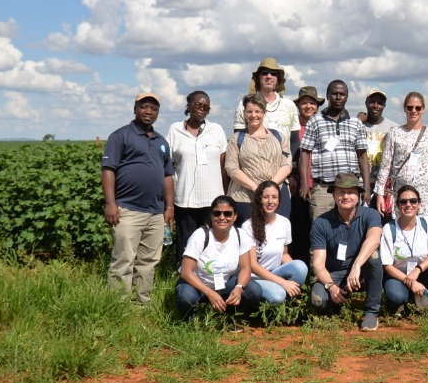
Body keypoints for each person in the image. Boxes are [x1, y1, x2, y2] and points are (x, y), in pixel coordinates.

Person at [101, 92, 175, 305]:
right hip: (128, 209)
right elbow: (108, 169)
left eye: (153, 108)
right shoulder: (120, 136)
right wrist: (110, 203)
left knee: (149, 260)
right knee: (123, 259)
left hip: (156, 212)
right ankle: (117, 304)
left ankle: (142, 301)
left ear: (158, 113)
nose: (148, 111)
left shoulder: (161, 141)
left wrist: (169, 207)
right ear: (135, 109)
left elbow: (167, 175)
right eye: (144, 107)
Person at [309, 173, 383, 331]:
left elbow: (374, 240)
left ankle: (371, 312)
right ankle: (338, 302)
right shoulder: (321, 222)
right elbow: (318, 264)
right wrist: (331, 286)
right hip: (335, 273)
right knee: (318, 300)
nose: (346, 196)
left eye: (351, 192)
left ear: (358, 196)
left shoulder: (371, 214)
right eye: (341, 192)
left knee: (374, 256)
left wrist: (356, 266)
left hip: (361, 272)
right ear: (333, 195)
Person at [166, 90, 227, 268]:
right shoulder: (175, 129)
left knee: (211, 241)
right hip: (185, 199)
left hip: (212, 198)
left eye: (206, 107)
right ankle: (184, 275)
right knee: (186, 242)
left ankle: (210, 275)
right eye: (198, 104)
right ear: (189, 106)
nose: (201, 109)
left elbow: (223, 165)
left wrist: (225, 195)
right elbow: (167, 164)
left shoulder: (216, 130)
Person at [175, 195, 261, 321]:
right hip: (197, 286)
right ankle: (190, 321)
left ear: (235, 216)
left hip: (224, 284)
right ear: (211, 215)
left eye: (227, 214)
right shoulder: (200, 235)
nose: (222, 217)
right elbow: (186, 272)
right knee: (186, 296)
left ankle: (229, 315)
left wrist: (239, 288)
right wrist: (209, 292)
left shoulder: (240, 235)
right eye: (217, 213)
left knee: (254, 290)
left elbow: (246, 268)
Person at [299, 80, 371, 221]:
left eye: (342, 94)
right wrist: (304, 184)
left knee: (349, 228)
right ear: (327, 95)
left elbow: (362, 157)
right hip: (323, 189)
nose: (338, 97)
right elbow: (305, 153)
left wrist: (366, 188)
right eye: (334, 94)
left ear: (347, 97)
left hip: (350, 189)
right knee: (321, 228)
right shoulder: (315, 121)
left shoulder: (356, 123)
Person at [373, 91, 428, 220]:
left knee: (425, 229)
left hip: (426, 197)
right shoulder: (394, 133)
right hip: (401, 197)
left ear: (423, 109)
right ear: (405, 109)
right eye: (410, 107)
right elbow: (385, 165)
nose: (414, 111)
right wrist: (380, 194)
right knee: (401, 230)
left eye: (418, 108)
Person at [379, 185, 428, 312]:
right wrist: (411, 282)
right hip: (399, 276)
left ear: (419, 204)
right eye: (403, 201)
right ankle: (408, 299)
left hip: (422, 272)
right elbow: (387, 266)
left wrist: (417, 271)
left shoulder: (426, 223)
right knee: (396, 297)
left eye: (413, 201)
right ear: (397, 205)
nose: (408, 205)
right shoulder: (389, 228)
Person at [226, 93, 292, 225]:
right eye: (249, 111)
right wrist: (256, 188)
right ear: (244, 113)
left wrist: (270, 188)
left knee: (277, 232)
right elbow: (231, 168)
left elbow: (286, 164)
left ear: (264, 113)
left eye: (257, 111)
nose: (253, 115)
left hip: (277, 194)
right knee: (249, 233)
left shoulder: (278, 137)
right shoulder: (236, 139)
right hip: (245, 196)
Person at [242, 180, 309, 305]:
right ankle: (267, 305)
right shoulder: (248, 226)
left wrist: (297, 273)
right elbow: (253, 266)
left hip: (275, 272)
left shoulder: (284, 223)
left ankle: (289, 301)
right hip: (255, 277)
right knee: (278, 295)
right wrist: (283, 282)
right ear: (259, 199)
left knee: (301, 266)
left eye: (274, 197)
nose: (270, 201)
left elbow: (284, 254)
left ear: (279, 201)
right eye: (265, 197)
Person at [288, 86, 323, 262]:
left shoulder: (323, 126)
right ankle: (301, 267)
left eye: (312, 103)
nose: (308, 106)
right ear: (298, 105)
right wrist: (293, 177)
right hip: (298, 186)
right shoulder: (292, 129)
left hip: (319, 185)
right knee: (299, 228)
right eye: (304, 103)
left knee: (317, 228)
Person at [233, 57, 297, 140]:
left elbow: (295, 141)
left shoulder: (289, 105)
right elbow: (238, 138)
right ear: (258, 78)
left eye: (273, 73)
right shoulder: (243, 105)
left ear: (278, 80)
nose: (269, 76)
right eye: (264, 73)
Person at [358, 90, 399, 190]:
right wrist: (357, 121)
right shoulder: (358, 125)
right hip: (359, 182)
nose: (376, 106)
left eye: (380, 103)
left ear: (384, 105)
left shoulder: (394, 128)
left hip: (384, 184)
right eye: (372, 102)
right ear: (366, 103)